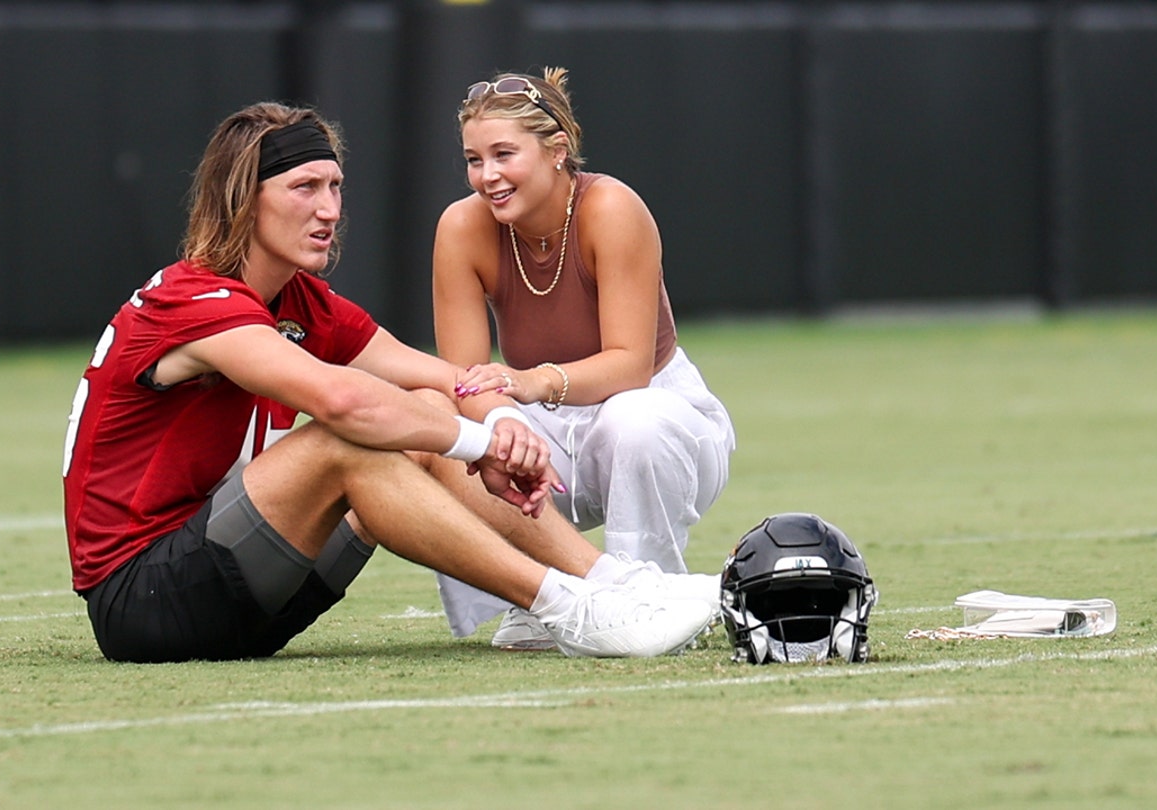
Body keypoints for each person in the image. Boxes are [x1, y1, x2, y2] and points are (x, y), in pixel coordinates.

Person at [60, 101, 717, 664]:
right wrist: (478, 444)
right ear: (243, 197)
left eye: (335, 186)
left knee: (423, 415)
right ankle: (568, 608)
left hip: (248, 587)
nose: (329, 210)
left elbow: (443, 380)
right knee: (347, 442)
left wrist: (500, 413)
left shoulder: (301, 302)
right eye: (304, 188)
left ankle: (612, 585)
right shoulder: (194, 299)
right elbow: (341, 400)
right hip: (142, 598)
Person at [430, 68, 737, 649]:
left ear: (557, 151)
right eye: (474, 159)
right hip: (547, 417)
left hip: (662, 418)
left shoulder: (612, 207)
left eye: (503, 154)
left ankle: (652, 597)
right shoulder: (460, 227)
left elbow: (629, 370)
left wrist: (527, 383)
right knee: (444, 433)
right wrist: (504, 426)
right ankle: (539, 595)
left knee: (634, 419)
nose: (487, 176)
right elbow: (467, 384)